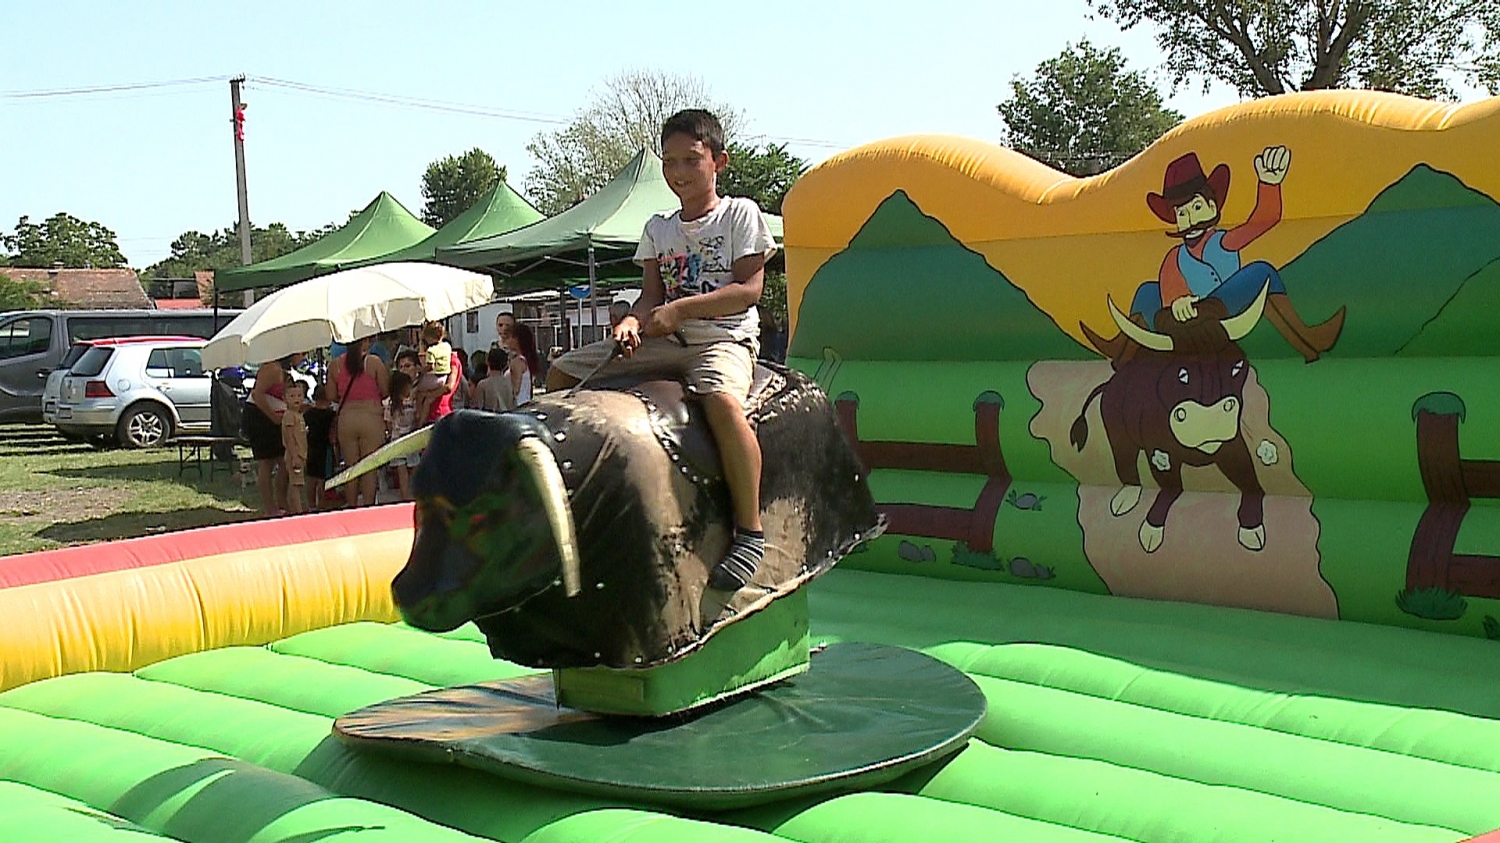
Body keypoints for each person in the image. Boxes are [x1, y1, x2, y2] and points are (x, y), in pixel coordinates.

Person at [545, 109, 778, 592]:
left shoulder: (740, 214)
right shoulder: (658, 228)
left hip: (722, 338)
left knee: (722, 403)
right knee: (562, 374)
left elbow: (749, 289)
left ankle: (750, 530)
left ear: (719, 161)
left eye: (691, 160)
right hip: (664, 339)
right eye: (669, 161)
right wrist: (633, 321)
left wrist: (682, 310)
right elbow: (650, 296)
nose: (678, 172)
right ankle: (567, 501)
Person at [330, 336, 389, 508]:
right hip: (371, 417)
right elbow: (385, 390)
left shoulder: (335, 365)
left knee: (351, 467)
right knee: (369, 467)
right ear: (364, 342)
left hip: (346, 418)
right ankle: (367, 507)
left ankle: (351, 505)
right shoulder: (374, 362)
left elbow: (331, 395)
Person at [247, 352, 302, 516]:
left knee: (284, 461)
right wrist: (273, 417)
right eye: (302, 354)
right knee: (267, 462)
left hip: (274, 417)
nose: (304, 358)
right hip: (260, 417)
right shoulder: (272, 368)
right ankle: (270, 507)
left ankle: (282, 502)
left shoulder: (284, 372)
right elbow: (257, 394)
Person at [303, 384, 337, 512]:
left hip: (311, 448)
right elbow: (333, 433)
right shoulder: (331, 415)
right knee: (323, 480)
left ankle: (311, 504)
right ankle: (322, 503)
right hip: (325, 449)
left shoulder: (308, 414)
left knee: (311, 478)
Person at [385, 371, 418, 500]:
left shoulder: (389, 404)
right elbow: (416, 418)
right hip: (411, 439)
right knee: (413, 469)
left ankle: (405, 498)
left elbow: (388, 423)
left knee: (401, 471)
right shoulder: (412, 402)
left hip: (396, 440)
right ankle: (415, 496)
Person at [414, 323, 454, 423]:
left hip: (433, 378)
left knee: (417, 392)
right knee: (428, 401)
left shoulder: (431, 351)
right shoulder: (447, 346)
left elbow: (430, 367)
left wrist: (420, 369)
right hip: (443, 377)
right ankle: (422, 421)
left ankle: (418, 416)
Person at [280, 378, 309, 515]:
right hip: (295, 454)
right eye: (292, 396)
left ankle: (296, 508)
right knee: (295, 484)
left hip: (301, 453)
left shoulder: (298, 415)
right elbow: (289, 437)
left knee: (299, 483)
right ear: (285, 398)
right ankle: (297, 511)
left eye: (299, 395)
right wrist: (294, 456)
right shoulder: (289, 416)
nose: (296, 399)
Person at [506, 323, 541, 404]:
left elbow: (516, 390)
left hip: (517, 405)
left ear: (516, 339)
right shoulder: (526, 360)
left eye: (509, 337)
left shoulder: (518, 362)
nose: (507, 341)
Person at [474, 347, 516, 412]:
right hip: (509, 417)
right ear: (505, 364)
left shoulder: (482, 385)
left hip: (490, 417)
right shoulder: (510, 383)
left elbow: (477, 411)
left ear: (487, 362)